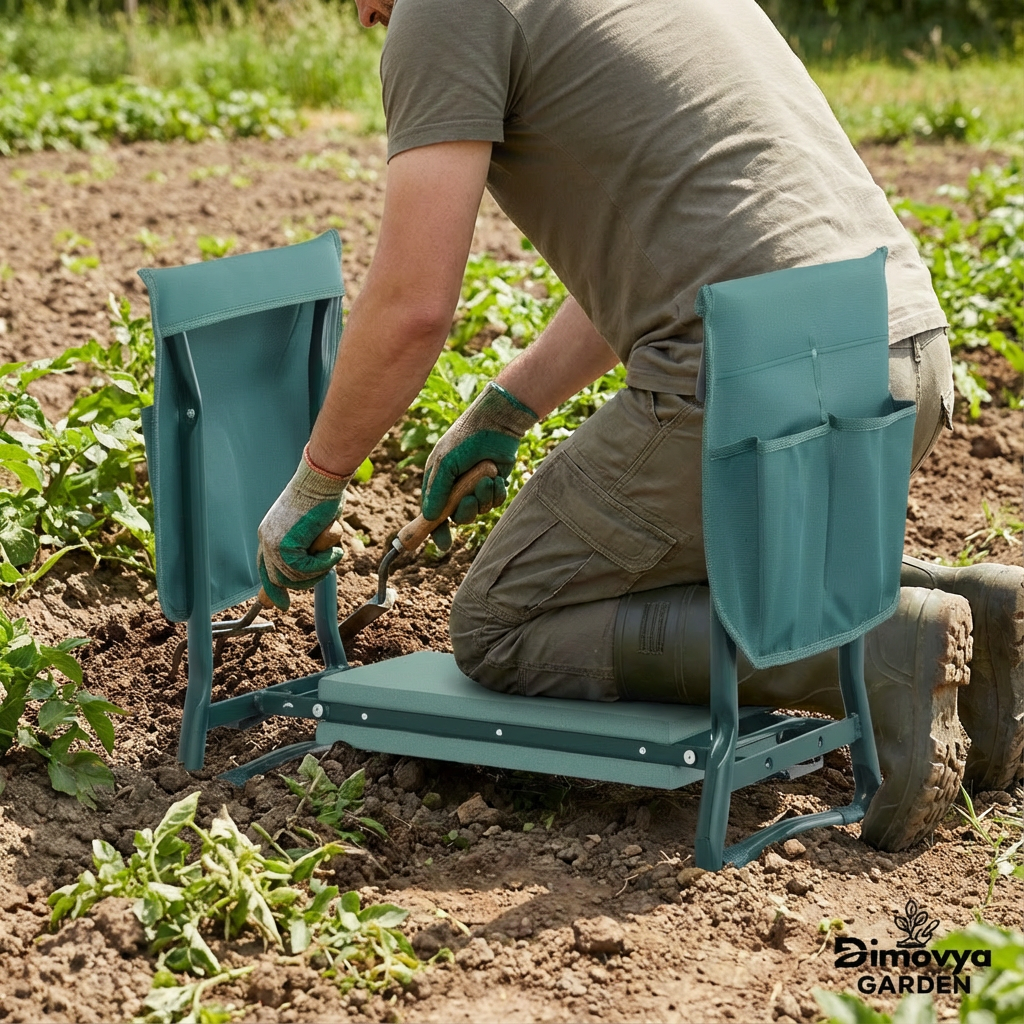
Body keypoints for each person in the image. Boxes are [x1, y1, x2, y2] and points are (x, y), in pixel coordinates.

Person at [256, 0, 1023, 851]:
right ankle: (970, 612)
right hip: (903, 355)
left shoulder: (442, 11)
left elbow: (411, 305)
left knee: (504, 620)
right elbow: (691, 227)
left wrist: (314, 483)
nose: (361, 15)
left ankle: (884, 651)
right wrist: (511, 404)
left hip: (759, 385)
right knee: (656, 558)